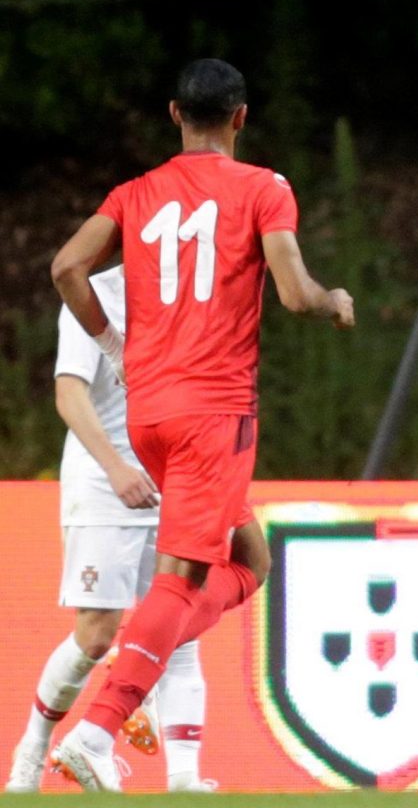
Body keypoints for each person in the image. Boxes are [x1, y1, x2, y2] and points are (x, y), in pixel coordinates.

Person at [48, 58, 355, 791]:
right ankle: (97, 729)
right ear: (242, 118)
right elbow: (291, 291)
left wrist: (113, 345)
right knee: (183, 580)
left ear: (174, 115)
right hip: (212, 411)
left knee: (251, 558)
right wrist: (331, 299)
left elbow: (66, 268)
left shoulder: (134, 194)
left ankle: (139, 663)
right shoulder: (263, 189)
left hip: (149, 413)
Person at [6, 265, 214, 794]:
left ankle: (185, 781)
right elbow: (68, 394)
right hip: (105, 483)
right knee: (97, 635)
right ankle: (32, 747)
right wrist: (118, 469)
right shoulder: (95, 294)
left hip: (175, 483)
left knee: (180, 629)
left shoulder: (194, 293)